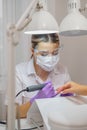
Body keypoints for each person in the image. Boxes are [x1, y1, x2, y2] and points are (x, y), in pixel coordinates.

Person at [15, 33, 71, 118]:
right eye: (44, 54)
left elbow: (69, 110)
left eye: (55, 52)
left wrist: (69, 101)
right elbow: (13, 114)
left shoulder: (63, 71)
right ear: (33, 51)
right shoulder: (19, 72)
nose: (51, 58)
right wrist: (35, 101)